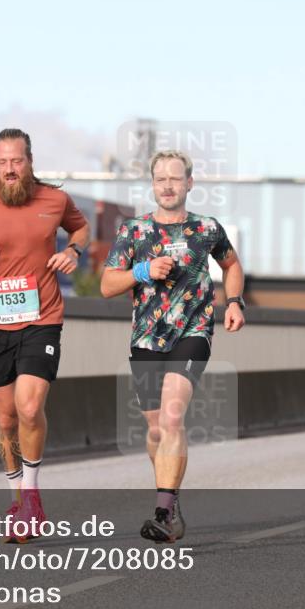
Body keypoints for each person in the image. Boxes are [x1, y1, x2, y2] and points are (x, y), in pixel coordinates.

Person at [100, 150, 245, 543]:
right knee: (154, 430)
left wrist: (233, 302)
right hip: (146, 338)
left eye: (175, 179)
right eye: (161, 178)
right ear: (153, 184)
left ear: (189, 184)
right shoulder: (134, 231)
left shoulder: (207, 230)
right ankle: (172, 500)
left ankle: (163, 512)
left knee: (172, 418)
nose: (168, 185)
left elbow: (231, 266)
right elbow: (107, 285)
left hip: (192, 332)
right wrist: (143, 271)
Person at [0, 128, 90, 543]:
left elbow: (81, 230)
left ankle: (32, 499)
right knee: (5, 418)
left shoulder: (55, 199)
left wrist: (73, 252)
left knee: (29, 407)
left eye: (16, 161)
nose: (10, 169)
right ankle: (17, 498)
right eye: (2, 162)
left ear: (29, 160)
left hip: (42, 317)